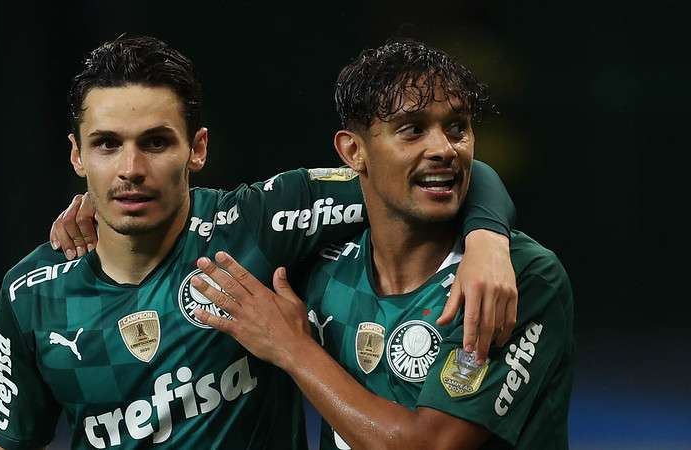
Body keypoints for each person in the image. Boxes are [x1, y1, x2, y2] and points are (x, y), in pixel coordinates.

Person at [0, 36, 518, 449]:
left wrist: (489, 239)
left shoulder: (261, 223)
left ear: (198, 149)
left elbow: (428, 173)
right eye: (107, 145)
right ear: (77, 156)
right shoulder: (32, 294)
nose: (132, 169)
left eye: (157, 143)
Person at [190, 39, 574, 450]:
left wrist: (293, 348)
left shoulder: (516, 276)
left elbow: (430, 445)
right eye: (412, 129)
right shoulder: (323, 263)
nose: (444, 149)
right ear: (353, 151)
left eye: (457, 128)